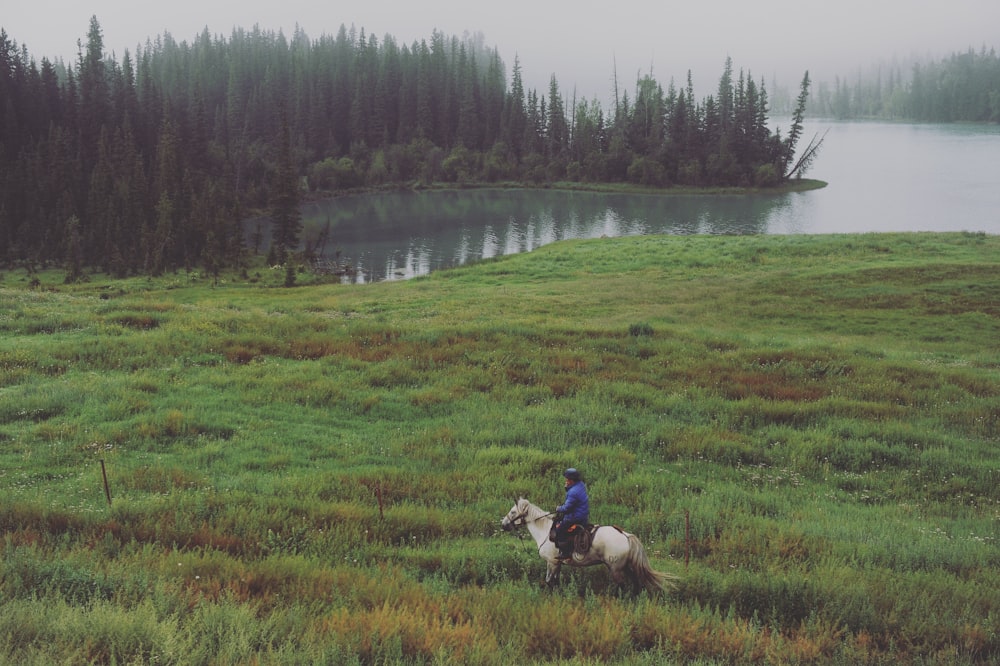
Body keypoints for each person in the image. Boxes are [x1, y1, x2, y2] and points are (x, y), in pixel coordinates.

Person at [553, 468, 589, 561]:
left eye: (567, 479)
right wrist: (567, 487)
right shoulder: (580, 485)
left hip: (576, 516)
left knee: (560, 530)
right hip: (583, 514)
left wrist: (559, 508)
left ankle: (565, 553)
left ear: (572, 480)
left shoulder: (573, 492)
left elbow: (567, 508)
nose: (566, 481)